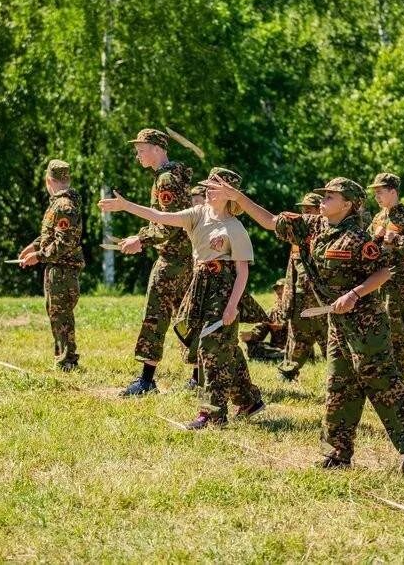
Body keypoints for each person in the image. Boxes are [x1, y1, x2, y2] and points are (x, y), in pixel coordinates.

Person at [204, 175, 404, 472]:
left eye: (330, 197)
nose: (323, 201)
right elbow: (270, 221)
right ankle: (337, 453)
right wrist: (237, 196)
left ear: (348, 204)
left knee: (381, 383)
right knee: (339, 385)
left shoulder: (359, 239)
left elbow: (383, 272)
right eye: (323, 196)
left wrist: (355, 293)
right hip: (338, 322)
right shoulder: (314, 226)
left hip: (365, 321)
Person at [99, 167, 265, 429]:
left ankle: (211, 414)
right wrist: (125, 205)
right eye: (207, 186)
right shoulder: (198, 214)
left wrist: (232, 306)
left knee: (209, 349)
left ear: (229, 194)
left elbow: (242, 272)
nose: (207, 190)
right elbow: (160, 215)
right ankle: (249, 400)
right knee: (222, 346)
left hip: (223, 288)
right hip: (199, 284)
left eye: (214, 187)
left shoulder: (235, 228)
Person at [119, 129, 194, 396]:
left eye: (141, 148)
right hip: (186, 259)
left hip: (172, 260)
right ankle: (199, 375)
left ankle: (146, 381)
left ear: (157, 148)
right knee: (187, 317)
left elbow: (169, 225)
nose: (137, 153)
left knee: (155, 316)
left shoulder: (166, 180)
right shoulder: (173, 176)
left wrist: (140, 239)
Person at [19, 160, 85, 371]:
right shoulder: (58, 204)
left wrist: (38, 256)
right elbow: (51, 234)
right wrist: (34, 246)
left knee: (62, 315)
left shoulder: (64, 206)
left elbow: (64, 243)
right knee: (56, 315)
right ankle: (63, 358)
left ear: (49, 180)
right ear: (68, 178)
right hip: (56, 268)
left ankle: (67, 362)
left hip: (63, 270)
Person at [367, 172, 404, 375]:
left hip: (397, 282)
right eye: (375, 193)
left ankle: (397, 372)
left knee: (395, 329)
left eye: (380, 192)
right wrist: (375, 237)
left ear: (393, 192)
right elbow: (366, 248)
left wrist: (398, 240)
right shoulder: (378, 217)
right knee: (376, 327)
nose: (376, 197)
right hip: (375, 282)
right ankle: (381, 368)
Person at [276, 192, 328, 381]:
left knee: (330, 338)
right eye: (302, 210)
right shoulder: (297, 236)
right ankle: (288, 372)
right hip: (300, 296)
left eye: (309, 210)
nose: (304, 214)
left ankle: (343, 375)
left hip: (321, 298)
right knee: (297, 336)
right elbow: (293, 270)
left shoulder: (324, 234)